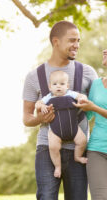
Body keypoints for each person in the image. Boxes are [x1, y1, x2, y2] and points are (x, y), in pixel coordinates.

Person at [22, 20, 98, 200]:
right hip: (47, 148)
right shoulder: (34, 76)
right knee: (46, 197)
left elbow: (101, 108)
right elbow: (26, 117)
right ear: (56, 41)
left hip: (78, 149)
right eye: (72, 40)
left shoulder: (87, 72)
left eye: (78, 41)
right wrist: (41, 118)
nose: (77, 45)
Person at [35, 70, 87, 178]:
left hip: (74, 129)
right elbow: (38, 104)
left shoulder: (71, 94)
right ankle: (57, 166)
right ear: (50, 86)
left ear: (67, 85)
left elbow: (81, 96)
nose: (58, 86)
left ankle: (77, 156)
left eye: (62, 84)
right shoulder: (48, 97)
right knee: (53, 147)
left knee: (82, 141)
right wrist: (42, 106)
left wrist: (82, 99)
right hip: (55, 131)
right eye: (55, 84)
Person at [73, 49, 107, 200]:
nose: (104, 50)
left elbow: (93, 108)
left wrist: (93, 107)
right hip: (97, 149)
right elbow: (88, 114)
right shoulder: (97, 84)